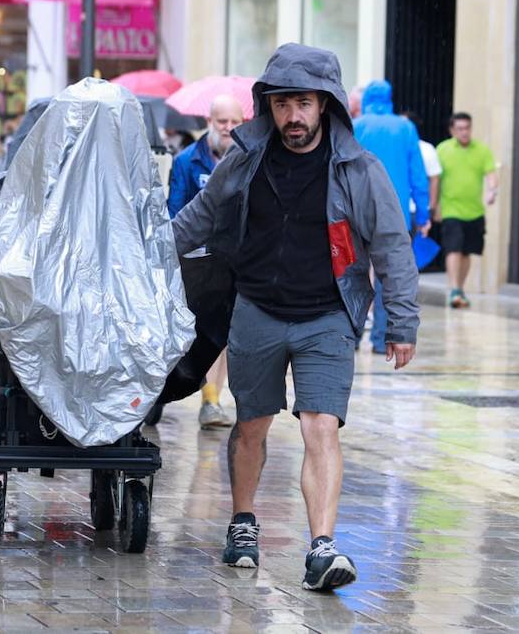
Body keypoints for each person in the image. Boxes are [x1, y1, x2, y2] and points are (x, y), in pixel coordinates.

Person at [173, 43, 418, 592]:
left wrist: (401, 324)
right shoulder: (246, 158)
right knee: (252, 424)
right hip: (257, 310)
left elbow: (391, 246)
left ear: (325, 104)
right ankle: (242, 523)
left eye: (304, 103)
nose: (293, 116)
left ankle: (322, 547)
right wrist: (147, 258)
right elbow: (201, 218)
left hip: (328, 316)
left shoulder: (358, 168)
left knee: (320, 426)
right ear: (269, 106)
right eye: (283, 104)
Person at [167, 94, 244, 429]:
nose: (227, 128)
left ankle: (211, 400)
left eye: (234, 122)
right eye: (221, 121)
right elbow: (176, 209)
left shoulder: (250, 161)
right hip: (194, 262)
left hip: (229, 263)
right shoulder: (188, 160)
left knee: (220, 331)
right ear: (209, 122)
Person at [353, 81, 431, 354]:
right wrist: (423, 214)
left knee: (352, 273)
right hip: (395, 214)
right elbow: (418, 174)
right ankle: (380, 339)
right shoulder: (405, 128)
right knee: (391, 277)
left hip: (357, 210)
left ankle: (350, 337)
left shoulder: (357, 126)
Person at [436, 112, 498, 308]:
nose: (464, 132)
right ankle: (454, 288)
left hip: (474, 211)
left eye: (467, 128)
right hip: (451, 209)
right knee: (453, 248)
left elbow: (491, 174)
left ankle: (460, 289)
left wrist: (492, 191)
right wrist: (434, 205)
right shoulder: (443, 150)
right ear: (452, 130)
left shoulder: (482, 150)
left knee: (467, 252)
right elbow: (435, 180)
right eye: (460, 128)